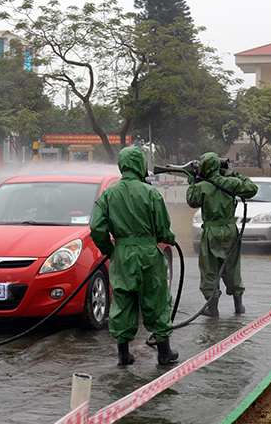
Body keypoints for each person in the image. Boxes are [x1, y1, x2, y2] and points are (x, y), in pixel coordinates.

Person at [90, 146, 178, 366]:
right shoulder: (151, 193)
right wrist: (170, 236)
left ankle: (123, 355)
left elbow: (96, 228)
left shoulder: (108, 194)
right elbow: (162, 230)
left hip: (122, 255)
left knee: (122, 300)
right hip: (149, 254)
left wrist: (112, 250)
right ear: (141, 165)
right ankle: (164, 353)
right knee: (157, 299)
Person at [186, 153, 258, 317]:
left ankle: (213, 308)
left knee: (209, 269)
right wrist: (235, 175)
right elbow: (252, 189)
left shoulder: (202, 186)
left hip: (211, 232)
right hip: (230, 230)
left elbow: (191, 201)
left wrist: (192, 182)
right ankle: (238, 306)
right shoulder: (231, 183)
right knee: (232, 266)